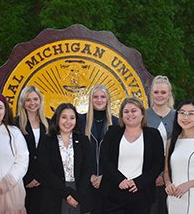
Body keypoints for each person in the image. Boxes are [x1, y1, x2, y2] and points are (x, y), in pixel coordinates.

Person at [100, 97, 164, 214]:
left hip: (141, 193)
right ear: (121, 115)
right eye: (126, 111)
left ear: (142, 114)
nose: (130, 114)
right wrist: (120, 180)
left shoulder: (153, 135)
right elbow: (104, 159)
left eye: (134, 110)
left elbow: (158, 163)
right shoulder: (113, 132)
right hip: (114, 192)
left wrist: (139, 182)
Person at [39, 103, 94, 214]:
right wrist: (67, 194)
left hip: (80, 193)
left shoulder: (83, 140)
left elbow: (88, 168)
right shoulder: (47, 141)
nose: (68, 122)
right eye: (64, 117)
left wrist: (77, 195)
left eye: (72, 118)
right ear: (57, 118)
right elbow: (45, 171)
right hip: (55, 194)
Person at [78, 85, 118, 214]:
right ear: (90, 99)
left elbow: (117, 156)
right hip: (85, 182)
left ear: (108, 100)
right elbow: (78, 153)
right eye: (95, 97)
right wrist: (89, 175)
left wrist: (104, 176)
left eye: (103, 97)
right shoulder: (81, 121)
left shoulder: (117, 123)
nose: (99, 100)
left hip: (109, 183)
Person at [16, 86, 49, 214]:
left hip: (44, 183)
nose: (32, 103)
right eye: (28, 100)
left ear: (40, 101)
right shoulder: (15, 124)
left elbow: (51, 156)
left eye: (35, 99)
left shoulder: (49, 124)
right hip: (22, 182)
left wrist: (40, 177)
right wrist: (26, 178)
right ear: (23, 102)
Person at [146, 75, 175, 214]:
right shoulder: (143, 116)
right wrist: (153, 175)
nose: (159, 95)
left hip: (173, 176)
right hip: (147, 175)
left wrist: (165, 174)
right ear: (151, 93)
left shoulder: (178, 116)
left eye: (163, 92)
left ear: (169, 94)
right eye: (156, 92)